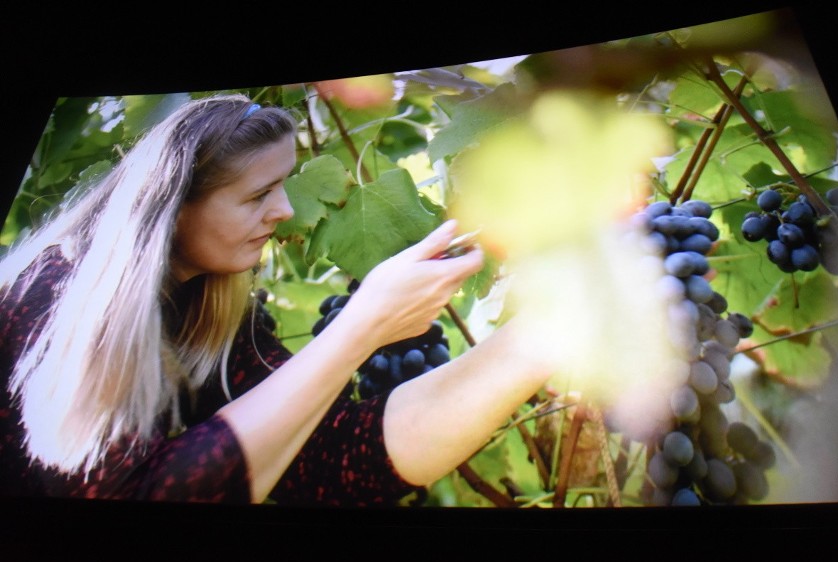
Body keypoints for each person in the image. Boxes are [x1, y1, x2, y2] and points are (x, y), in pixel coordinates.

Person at [0, 93, 552, 506]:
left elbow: (336, 457)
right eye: (258, 194)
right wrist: (356, 330)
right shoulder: (58, 297)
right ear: (172, 207)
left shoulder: (211, 309)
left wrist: (545, 337)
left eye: (284, 184)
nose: (285, 210)